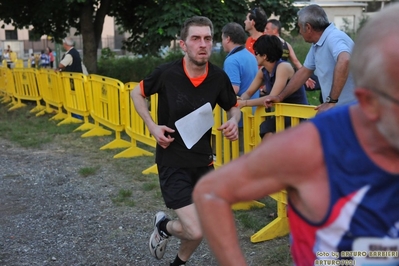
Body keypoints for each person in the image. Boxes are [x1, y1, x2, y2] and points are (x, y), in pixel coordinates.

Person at [193, 4, 399, 266]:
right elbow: (212, 192)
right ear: (370, 102)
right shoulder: (311, 146)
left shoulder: (326, 43)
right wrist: (326, 100)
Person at [130, 16, 241, 266]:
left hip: (204, 162)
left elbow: (234, 107)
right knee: (196, 229)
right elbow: (136, 93)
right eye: (196, 38)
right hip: (173, 160)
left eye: (208, 38)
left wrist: (234, 120)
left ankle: (178, 263)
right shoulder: (167, 73)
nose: (203, 44)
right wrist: (152, 126)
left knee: (206, 225)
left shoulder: (218, 77)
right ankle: (165, 226)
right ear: (183, 44)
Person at [265, 4, 356, 113]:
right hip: (342, 111)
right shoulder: (318, 43)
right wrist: (280, 97)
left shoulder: (334, 37)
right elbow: (304, 72)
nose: (299, 31)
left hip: (353, 110)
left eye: (299, 27)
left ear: (308, 27)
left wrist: (331, 101)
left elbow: (345, 60)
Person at [238, 35, 308, 138]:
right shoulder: (263, 71)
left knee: (268, 129)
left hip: (297, 116)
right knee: (266, 128)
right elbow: (248, 93)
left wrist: (244, 103)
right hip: (282, 116)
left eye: (256, 52)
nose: (254, 55)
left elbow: (272, 98)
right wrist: (240, 100)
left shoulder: (283, 67)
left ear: (265, 56)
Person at [221, 22, 258, 146]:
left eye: (222, 39)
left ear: (228, 39)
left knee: (239, 156)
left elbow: (233, 89)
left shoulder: (232, 60)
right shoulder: (251, 56)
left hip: (239, 118)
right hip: (254, 114)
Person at [265, 19, 316, 90]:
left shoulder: (269, 45)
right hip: (286, 79)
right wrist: (305, 77)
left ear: (275, 30)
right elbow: (295, 61)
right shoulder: (286, 44)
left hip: (274, 78)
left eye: (267, 29)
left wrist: (305, 76)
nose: (264, 31)